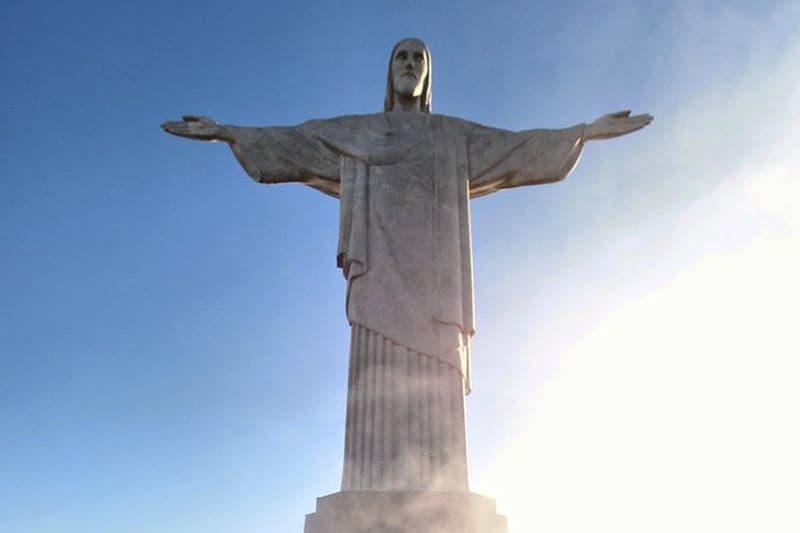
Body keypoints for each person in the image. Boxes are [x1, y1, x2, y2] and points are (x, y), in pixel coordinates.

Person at [162, 38, 652, 492]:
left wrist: (584, 134)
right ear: (389, 72)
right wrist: (227, 133)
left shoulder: (451, 137)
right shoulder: (359, 133)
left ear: (427, 76)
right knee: (378, 376)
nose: (410, 65)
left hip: (437, 284)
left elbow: (515, 148)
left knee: (434, 380)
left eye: (419, 59)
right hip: (377, 276)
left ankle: (440, 493)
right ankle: (369, 488)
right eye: (402, 57)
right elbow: (297, 143)